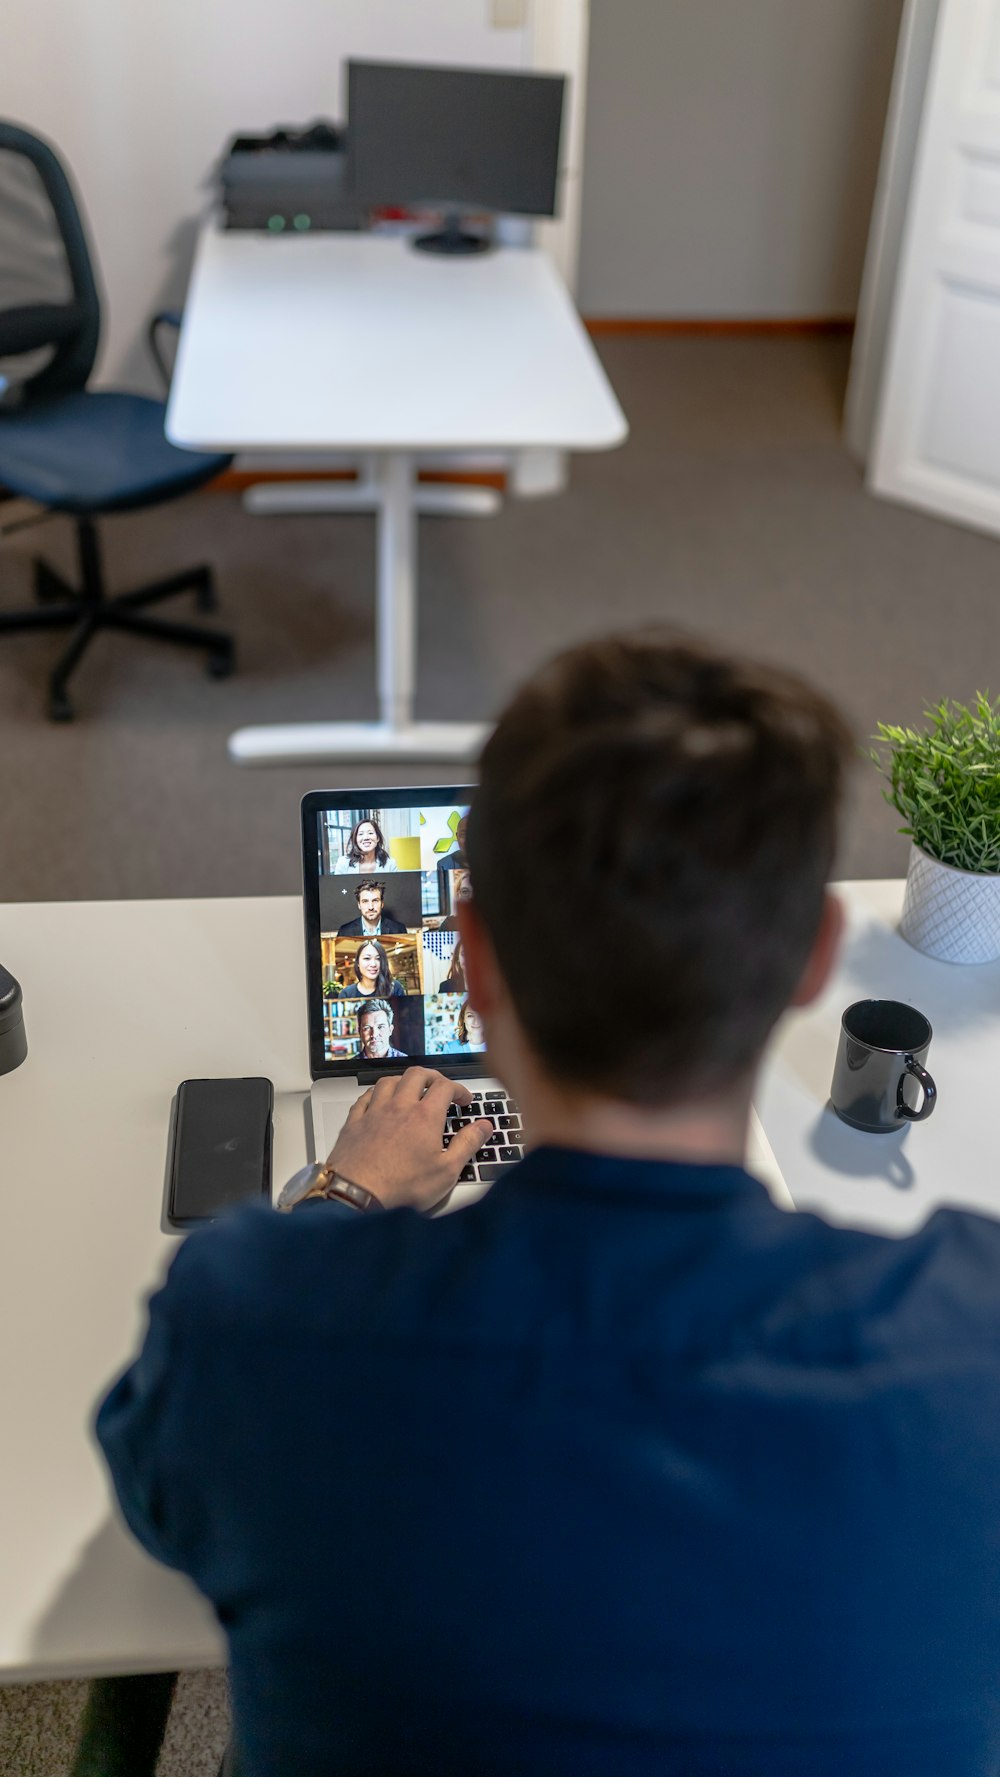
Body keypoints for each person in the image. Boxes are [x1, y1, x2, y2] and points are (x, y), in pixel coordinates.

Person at [97, 633, 1000, 1777]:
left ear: (471, 955)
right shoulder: (975, 1336)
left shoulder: (249, 1323)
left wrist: (343, 1192)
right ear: (814, 959)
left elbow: (152, 1505)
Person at [336, 881, 407, 939]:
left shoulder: (398, 929)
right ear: (359, 905)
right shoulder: (345, 932)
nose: (370, 907)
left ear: (382, 904)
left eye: (375, 901)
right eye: (365, 901)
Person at [339, 938, 404, 999]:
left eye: (378, 959)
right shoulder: (346, 994)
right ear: (358, 963)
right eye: (367, 958)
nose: (373, 964)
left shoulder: (394, 987)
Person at [333, 816, 398, 874]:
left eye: (370, 833)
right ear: (355, 840)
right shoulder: (343, 863)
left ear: (377, 838)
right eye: (361, 834)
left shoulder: (390, 864)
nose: (366, 837)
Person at [355, 997, 406, 1062]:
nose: (374, 1034)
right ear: (360, 1032)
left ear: (390, 1030)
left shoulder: (407, 1064)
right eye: (367, 1028)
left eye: (380, 1027)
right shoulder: (349, 1066)